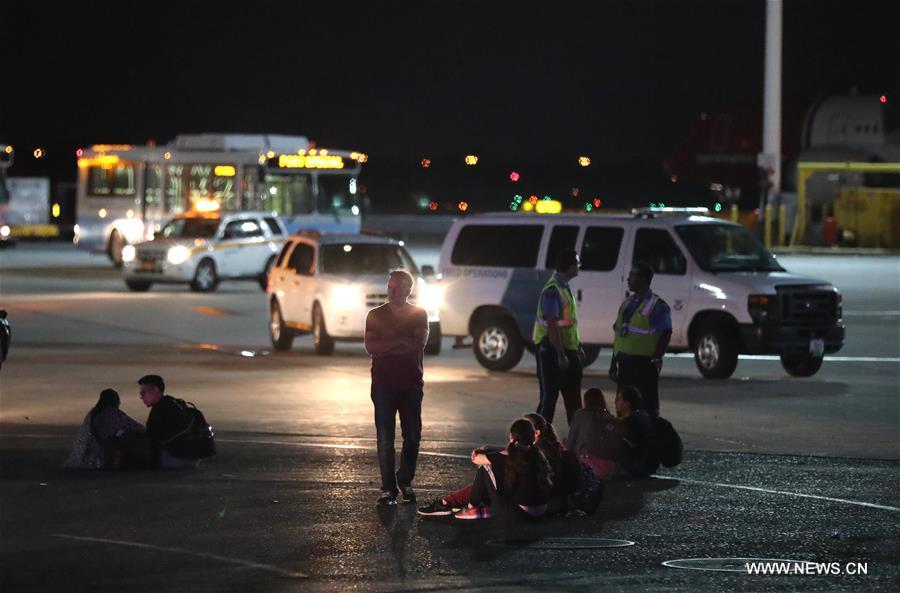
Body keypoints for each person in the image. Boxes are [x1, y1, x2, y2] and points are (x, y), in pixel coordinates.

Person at [364, 269, 430, 506]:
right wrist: (400, 341)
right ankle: (388, 490)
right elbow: (372, 346)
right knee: (385, 439)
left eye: (397, 287)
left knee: (412, 435)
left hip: (411, 384)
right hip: (383, 384)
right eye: (390, 286)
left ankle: (405, 481)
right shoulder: (375, 315)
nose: (391, 291)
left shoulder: (419, 314)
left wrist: (387, 347)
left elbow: (418, 344)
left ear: (408, 289)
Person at [453, 419, 553, 520]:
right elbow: (508, 451)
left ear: (511, 436)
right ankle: (480, 507)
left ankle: (472, 507)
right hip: (542, 510)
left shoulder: (510, 456)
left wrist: (482, 451)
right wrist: (489, 448)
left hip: (520, 513)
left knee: (485, 466)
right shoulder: (537, 453)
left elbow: (476, 459)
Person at [610, 262, 672, 416]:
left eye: (632, 276)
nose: (628, 279)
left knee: (646, 407)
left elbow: (666, 333)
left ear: (644, 279)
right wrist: (614, 361)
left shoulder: (657, 305)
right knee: (623, 406)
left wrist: (656, 358)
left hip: (643, 364)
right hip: (624, 362)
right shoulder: (627, 303)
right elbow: (619, 334)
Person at [533, 249, 584, 425]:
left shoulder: (563, 287)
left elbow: (569, 323)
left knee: (572, 399)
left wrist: (577, 348)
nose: (579, 267)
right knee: (549, 398)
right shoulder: (553, 290)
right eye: (577, 264)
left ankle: (577, 440)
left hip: (566, 349)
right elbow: (552, 325)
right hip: (552, 351)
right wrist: (561, 354)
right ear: (570, 267)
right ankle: (539, 439)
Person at [63, 388, 145, 469]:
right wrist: (123, 432)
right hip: (105, 450)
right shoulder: (112, 413)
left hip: (94, 449)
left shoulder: (94, 413)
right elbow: (115, 433)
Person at [138, 374, 199, 469]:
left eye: (143, 392)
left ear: (155, 390)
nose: (141, 396)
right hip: (191, 458)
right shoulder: (172, 403)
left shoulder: (160, 409)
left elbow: (153, 438)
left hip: (174, 459)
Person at [565, 388, 623, 480]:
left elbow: (571, 442)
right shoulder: (609, 418)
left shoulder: (581, 415)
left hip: (586, 464)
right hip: (609, 466)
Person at [614, 384, 659, 478]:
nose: (615, 402)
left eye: (619, 399)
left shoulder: (629, 422)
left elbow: (628, 445)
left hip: (634, 468)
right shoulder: (643, 417)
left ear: (627, 403)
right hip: (648, 465)